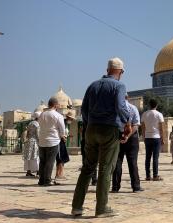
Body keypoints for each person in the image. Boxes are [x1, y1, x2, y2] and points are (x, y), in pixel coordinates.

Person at [72, 57, 131, 218]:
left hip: (91, 129)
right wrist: (127, 121)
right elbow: (120, 106)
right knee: (105, 168)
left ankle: (77, 206)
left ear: (107, 70)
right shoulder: (119, 86)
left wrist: (89, 124)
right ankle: (102, 207)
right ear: (120, 71)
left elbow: (84, 109)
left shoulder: (93, 85)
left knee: (87, 168)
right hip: (109, 129)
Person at [112, 95, 143, 193]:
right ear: (127, 97)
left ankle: (115, 187)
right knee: (133, 162)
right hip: (132, 137)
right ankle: (136, 187)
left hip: (117, 136)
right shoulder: (133, 108)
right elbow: (136, 125)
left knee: (117, 162)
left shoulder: (114, 108)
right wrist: (127, 136)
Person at [38, 97, 66, 186]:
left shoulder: (42, 114)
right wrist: (63, 136)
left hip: (42, 141)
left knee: (42, 161)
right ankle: (47, 180)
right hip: (53, 141)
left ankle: (41, 180)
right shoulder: (58, 115)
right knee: (50, 161)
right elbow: (62, 129)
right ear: (55, 105)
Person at [141, 99, 164, 181]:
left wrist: (143, 137)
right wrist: (162, 138)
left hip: (147, 137)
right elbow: (161, 128)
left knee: (147, 157)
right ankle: (155, 175)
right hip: (156, 137)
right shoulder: (159, 114)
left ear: (149, 105)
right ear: (156, 105)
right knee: (155, 157)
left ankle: (147, 175)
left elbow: (143, 127)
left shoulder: (144, 114)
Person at [55, 111, 75, 182]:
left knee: (63, 158)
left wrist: (68, 136)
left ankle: (60, 174)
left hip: (62, 141)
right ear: (68, 117)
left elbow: (64, 133)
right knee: (60, 159)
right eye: (71, 119)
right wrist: (63, 137)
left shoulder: (66, 124)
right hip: (60, 141)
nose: (72, 120)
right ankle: (58, 175)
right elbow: (59, 132)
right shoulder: (62, 123)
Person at [23, 111, 41, 177]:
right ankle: (38, 171)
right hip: (35, 142)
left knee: (29, 157)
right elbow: (38, 134)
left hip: (29, 141)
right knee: (36, 156)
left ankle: (28, 171)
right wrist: (40, 142)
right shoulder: (37, 124)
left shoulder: (30, 123)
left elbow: (27, 133)